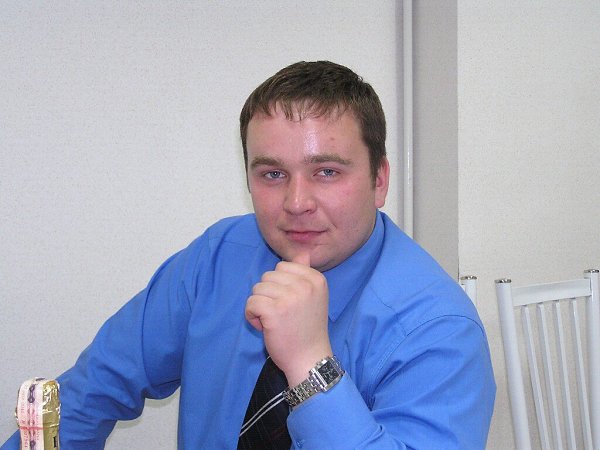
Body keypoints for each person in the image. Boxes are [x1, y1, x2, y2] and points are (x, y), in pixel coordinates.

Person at [2, 60, 495, 449]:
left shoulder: (438, 328)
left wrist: (310, 364)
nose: (297, 202)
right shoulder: (219, 257)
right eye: (272, 174)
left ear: (379, 180)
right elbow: (94, 388)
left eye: (326, 172)